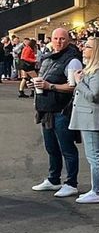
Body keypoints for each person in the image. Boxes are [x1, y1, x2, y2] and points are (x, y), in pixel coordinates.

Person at [31, 28, 83, 198]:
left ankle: (71, 183)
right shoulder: (48, 58)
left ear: (68, 40)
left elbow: (74, 86)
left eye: (62, 38)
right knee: (51, 148)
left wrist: (50, 86)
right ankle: (54, 179)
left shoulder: (73, 60)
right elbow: (44, 78)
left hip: (62, 110)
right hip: (46, 109)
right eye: (56, 38)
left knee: (67, 148)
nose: (59, 41)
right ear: (50, 40)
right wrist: (38, 85)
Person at [68, 37, 99, 204]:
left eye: (87, 47)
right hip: (89, 116)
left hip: (93, 117)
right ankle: (96, 189)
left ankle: (98, 190)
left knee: (94, 155)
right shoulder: (94, 69)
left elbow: (93, 95)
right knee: (92, 155)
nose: (83, 48)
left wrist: (79, 82)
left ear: (96, 51)